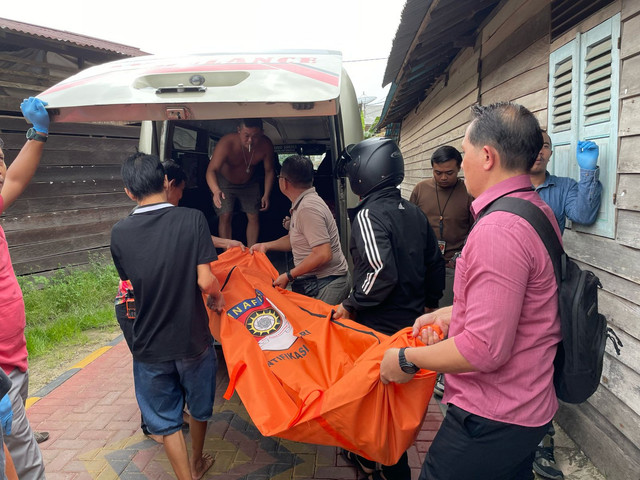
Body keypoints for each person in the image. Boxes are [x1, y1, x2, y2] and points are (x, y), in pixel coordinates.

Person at [379, 102, 562, 480]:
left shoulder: (499, 229)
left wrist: (408, 358)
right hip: (525, 406)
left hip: (492, 416)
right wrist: (448, 314)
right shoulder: (533, 209)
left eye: (464, 153)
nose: (462, 164)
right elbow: (520, 303)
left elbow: (484, 348)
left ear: (487, 156)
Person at [333, 137, 445, 480]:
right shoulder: (414, 213)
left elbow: (380, 272)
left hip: (377, 329)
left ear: (364, 175)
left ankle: (380, 463)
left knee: (371, 401)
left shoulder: (368, 214)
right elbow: (435, 266)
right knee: (396, 403)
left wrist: (350, 304)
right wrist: (429, 307)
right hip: (408, 327)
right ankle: (389, 462)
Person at [110, 153, 225, 480]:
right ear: (165, 181)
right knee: (200, 405)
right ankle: (198, 461)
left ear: (129, 193)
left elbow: (130, 282)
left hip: (148, 343)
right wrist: (218, 296)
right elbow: (205, 281)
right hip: (192, 339)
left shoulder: (119, 232)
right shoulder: (192, 219)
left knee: (166, 419)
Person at [528, 131, 602, 480]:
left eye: (546, 147)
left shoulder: (564, 187)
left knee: (543, 361)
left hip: (548, 292)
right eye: (535, 146)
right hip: (511, 285)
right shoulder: (509, 188)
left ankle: (543, 440)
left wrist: (589, 172)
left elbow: (584, 214)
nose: (540, 152)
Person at [1, 97, 49, 480]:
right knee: (23, 457)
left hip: (11, 354)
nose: (2, 166)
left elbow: (16, 179)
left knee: (17, 431)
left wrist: (37, 134)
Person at [250, 155, 350, 305]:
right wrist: (266, 245)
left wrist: (289, 275)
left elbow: (323, 253)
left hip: (326, 284)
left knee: (314, 328)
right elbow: (294, 240)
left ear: (283, 182)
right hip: (316, 282)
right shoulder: (303, 203)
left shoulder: (307, 208)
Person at [409, 145, 473, 307]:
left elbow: (475, 231)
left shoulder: (469, 192)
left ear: (459, 168)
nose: (443, 177)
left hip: (452, 266)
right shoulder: (420, 189)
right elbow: (409, 225)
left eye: (449, 173)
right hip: (422, 265)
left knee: (442, 315)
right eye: (438, 173)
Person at [205, 118, 275, 246]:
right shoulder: (226, 143)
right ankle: (229, 253)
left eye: (255, 136)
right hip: (225, 182)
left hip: (249, 182)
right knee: (225, 214)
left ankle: (251, 251)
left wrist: (266, 194)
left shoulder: (266, 145)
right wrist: (216, 191)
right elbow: (211, 171)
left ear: (262, 133)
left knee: (254, 215)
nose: (250, 141)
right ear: (239, 131)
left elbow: (269, 171)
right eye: (246, 136)